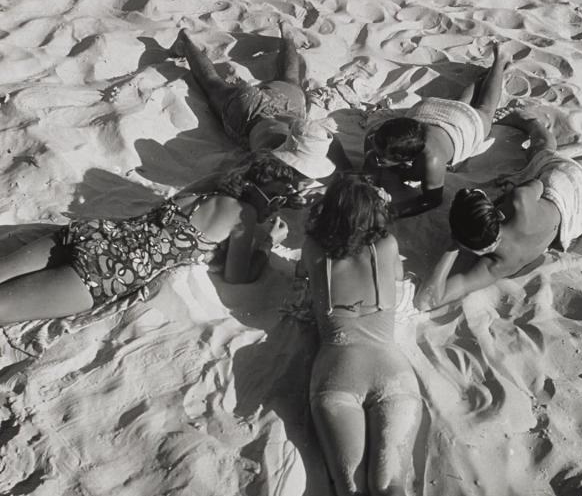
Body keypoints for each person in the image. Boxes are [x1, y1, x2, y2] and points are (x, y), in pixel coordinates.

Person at [299, 173, 421, 496]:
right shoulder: (385, 247)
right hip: (391, 371)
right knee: (390, 485)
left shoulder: (314, 251)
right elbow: (396, 270)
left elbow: (307, 290)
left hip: (337, 374)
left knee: (353, 495)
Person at [0, 152, 303, 324]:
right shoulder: (244, 214)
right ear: (257, 190)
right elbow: (238, 276)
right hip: (108, 272)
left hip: (95, 232)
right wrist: (267, 243)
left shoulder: (211, 185)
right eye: (278, 199)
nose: (278, 207)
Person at [414, 111, 582, 309]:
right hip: (561, 190)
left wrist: (452, 247)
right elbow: (537, 184)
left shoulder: (498, 265)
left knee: (562, 162)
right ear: (497, 214)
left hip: (572, 222)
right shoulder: (519, 202)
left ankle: (532, 122)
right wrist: (512, 187)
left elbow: (428, 300)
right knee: (545, 153)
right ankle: (533, 123)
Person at [167, 22, 352, 179]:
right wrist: (346, 168)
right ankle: (186, 41)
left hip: (286, 107)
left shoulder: (310, 137)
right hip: (247, 116)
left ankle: (287, 38)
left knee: (290, 78)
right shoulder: (270, 159)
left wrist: (346, 165)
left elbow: (331, 140)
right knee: (212, 84)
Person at [363, 43, 509, 217]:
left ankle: (500, 61)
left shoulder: (432, 160)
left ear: (406, 158)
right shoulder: (378, 137)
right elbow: (368, 168)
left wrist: (391, 211)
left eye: (381, 158)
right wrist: (370, 183)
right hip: (429, 111)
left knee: (485, 110)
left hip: (458, 124)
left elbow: (431, 199)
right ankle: (487, 77)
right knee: (459, 105)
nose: (374, 155)